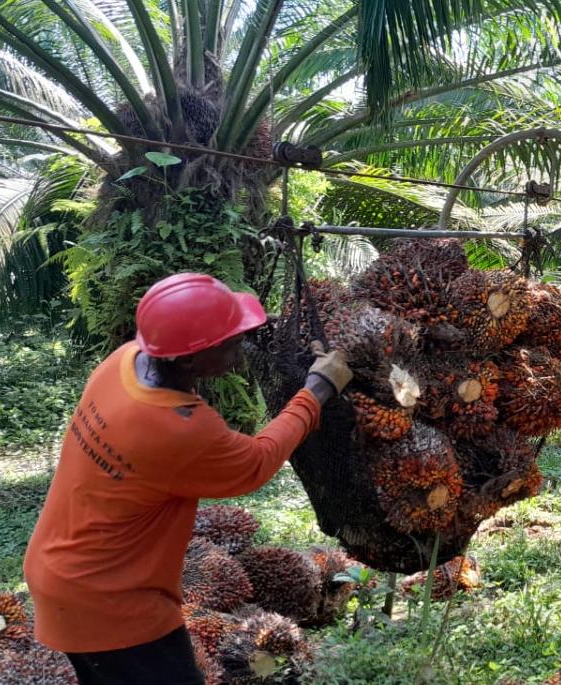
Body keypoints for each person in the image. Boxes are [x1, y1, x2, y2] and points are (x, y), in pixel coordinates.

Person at [22, 272, 353, 684]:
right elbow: (258, 461)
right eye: (232, 343)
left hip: (62, 570)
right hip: (109, 603)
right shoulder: (177, 428)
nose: (242, 349)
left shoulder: (124, 362)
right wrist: (317, 389)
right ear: (190, 359)